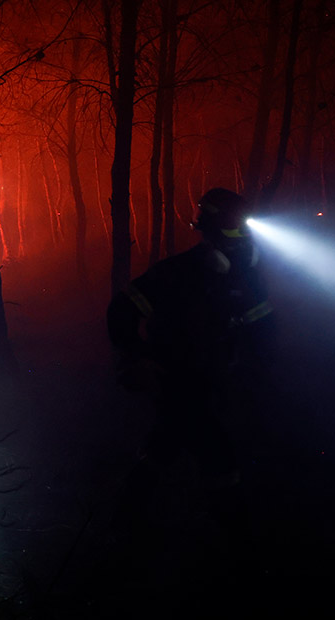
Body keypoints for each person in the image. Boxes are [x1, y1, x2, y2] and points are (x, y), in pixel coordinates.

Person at [106, 187, 275, 530]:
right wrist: (135, 358)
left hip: (217, 381)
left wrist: (258, 372)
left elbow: (262, 328)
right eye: (233, 224)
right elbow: (121, 310)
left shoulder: (245, 280)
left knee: (165, 444)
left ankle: (127, 519)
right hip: (179, 380)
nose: (241, 237)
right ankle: (232, 533)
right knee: (216, 452)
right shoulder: (176, 274)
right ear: (212, 229)